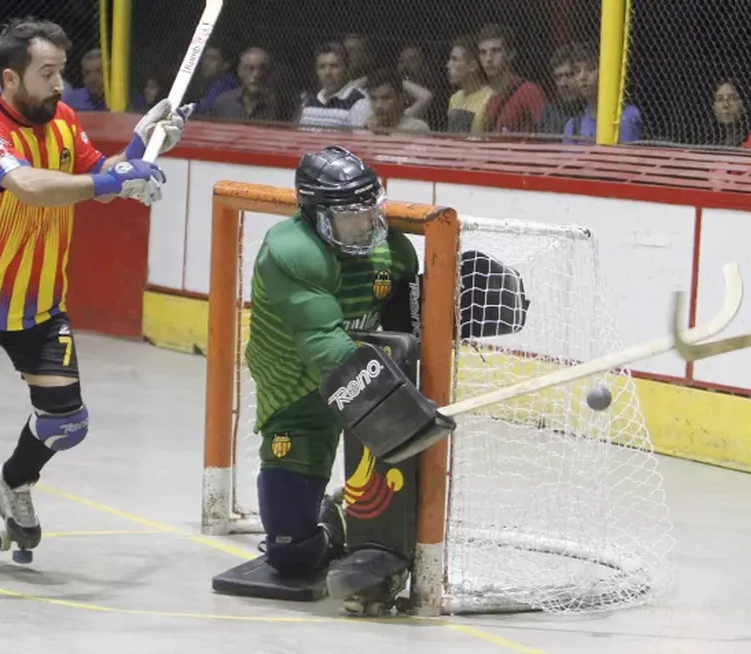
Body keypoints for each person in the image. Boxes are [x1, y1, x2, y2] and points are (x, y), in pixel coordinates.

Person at [0, 17, 193, 564]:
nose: (61, 85)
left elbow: (99, 178)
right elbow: (31, 186)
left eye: (62, 71)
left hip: (39, 304)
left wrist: (144, 144)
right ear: (11, 79)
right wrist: (113, 180)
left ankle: (13, 482)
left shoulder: (62, 119)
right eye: (48, 73)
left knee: (67, 422)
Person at [210, 146, 529, 615]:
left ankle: (376, 541)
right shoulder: (289, 252)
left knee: (393, 485)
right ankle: (333, 519)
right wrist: (396, 411)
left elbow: (403, 319)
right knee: (290, 554)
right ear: (317, 216)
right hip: (300, 394)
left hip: (369, 378)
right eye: (350, 216)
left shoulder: (391, 249)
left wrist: (445, 310)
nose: (367, 224)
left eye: (370, 209)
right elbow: (324, 347)